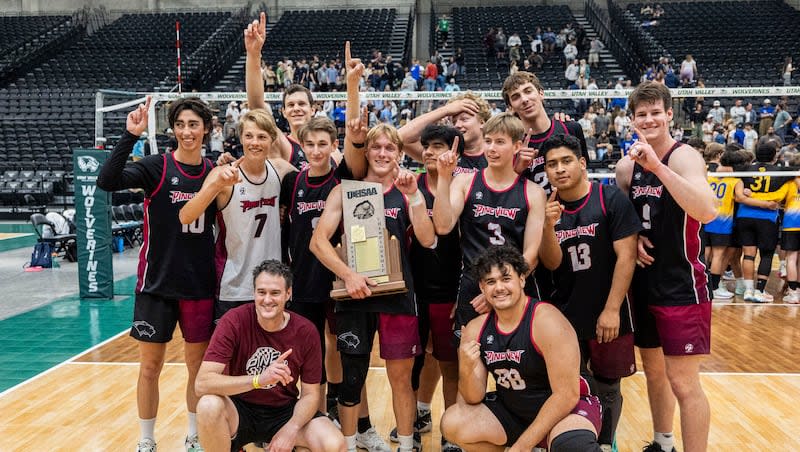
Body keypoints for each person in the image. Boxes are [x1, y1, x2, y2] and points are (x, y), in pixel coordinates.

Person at [311, 40, 438, 452]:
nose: (383, 153)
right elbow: (318, 242)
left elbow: (427, 239)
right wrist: (348, 273)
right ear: (370, 151)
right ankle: (349, 444)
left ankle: (404, 444)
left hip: (399, 295)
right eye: (377, 147)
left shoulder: (410, 190)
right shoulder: (349, 191)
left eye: (391, 148)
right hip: (354, 292)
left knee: (402, 376)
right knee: (352, 376)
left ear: (400, 154)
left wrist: (416, 197)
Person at [97, 97, 217, 452]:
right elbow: (107, 181)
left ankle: (194, 434)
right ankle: (146, 439)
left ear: (206, 129)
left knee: (197, 367)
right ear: (172, 129)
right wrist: (129, 136)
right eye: (180, 125)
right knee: (150, 368)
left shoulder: (215, 171)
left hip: (199, 285)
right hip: (156, 286)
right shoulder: (156, 167)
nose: (187, 131)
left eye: (194, 124)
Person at [615, 81, 717, 452]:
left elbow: (706, 210)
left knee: (685, 383)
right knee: (655, 373)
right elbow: (624, 221)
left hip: (681, 284)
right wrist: (634, 237)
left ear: (670, 114)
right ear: (631, 120)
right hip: (642, 283)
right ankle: (663, 442)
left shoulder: (682, 156)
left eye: (656, 112)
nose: (650, 119)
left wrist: (657, 166)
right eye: (641, 114)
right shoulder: (626, 168)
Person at [439, 246, 603, 451]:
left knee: (572, 446)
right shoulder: (475, 329)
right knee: (454, 422)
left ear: (522, 280)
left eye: (506, 279)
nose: (499, 287)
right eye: (491, 282)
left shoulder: (547, 322)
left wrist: (521, 446)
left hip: (568, 409)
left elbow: (567, 395)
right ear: (482, 287)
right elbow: (473, 398)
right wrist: (465, 366)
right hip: (516, 410)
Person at [539, 134, 641, 450]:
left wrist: (611, 309)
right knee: (569, 386)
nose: (559, 169)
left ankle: (606, 442)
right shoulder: (547, 208)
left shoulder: (610, 199)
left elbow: (627, 256)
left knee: (609, 385)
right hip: (564, 315)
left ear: (582, 163)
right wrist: (547, 226)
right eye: (552, 164)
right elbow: (552, 263)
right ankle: (577, 442)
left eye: (566, 161)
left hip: (608, 312)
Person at [194, 260, 345, 452]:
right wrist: (259, 380)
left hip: (284, 412)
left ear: (288, 294)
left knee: (333, 444)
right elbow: (202, 384)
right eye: (261, 292)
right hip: (239, 409)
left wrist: (291, 429)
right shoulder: (233, 321)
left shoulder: (305, 331)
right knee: (208, 406)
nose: (267, 300)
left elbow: (310, 394)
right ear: (254, 292)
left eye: (275, 293)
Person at [432, 112, 551, 331]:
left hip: (514, 287)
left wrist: (498, 289)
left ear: (516, 146)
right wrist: (443, 177)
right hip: (474, 284)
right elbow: (442, 225)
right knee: (469, 360)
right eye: (488, 141)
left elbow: (532, 254)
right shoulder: (465, 182)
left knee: (517, 361)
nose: (492, 148)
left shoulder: (533, 192)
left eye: (500, 142)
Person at [179, 109, 294, 320]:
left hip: (273, 286)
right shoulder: (223, 175)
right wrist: (214, 186)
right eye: (249, 136)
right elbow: (186, 216)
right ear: (240, 138)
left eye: (261, 137)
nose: (254, 143)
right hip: (233, 286)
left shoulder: (282, 170)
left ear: (272, 139)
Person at [733, 142, 793, 303]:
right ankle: (759, 291)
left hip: (744, 215)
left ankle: (748, 290)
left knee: (749, 254)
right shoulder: (781, 171)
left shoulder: (744, 169)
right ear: (775, 156)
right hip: (767, 217)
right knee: (766, 254)